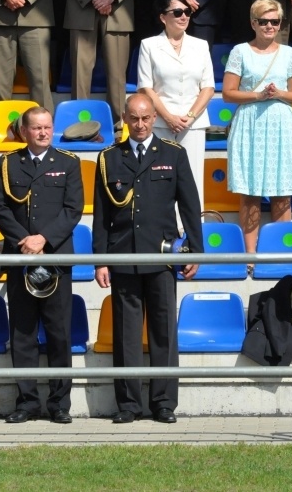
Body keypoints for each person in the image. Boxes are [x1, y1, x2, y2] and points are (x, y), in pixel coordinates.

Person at [92, 93, 203, 425]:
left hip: (161, 255)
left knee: (164, 332)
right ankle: (128, 404)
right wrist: (100, 260)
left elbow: (190, 206)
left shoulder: (173, 154)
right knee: (126, 334)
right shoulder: (109, 157)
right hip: (123, 254)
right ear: (125, 119)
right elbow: (101, 215)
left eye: (145, 118)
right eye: (133, 119)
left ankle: (164, 402)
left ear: (154, 117)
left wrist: (194, 250)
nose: (140, 125)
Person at [0, 107, 83, 425]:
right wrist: (25, 241)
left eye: (47, 127)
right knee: (23, 334)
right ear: (25, 131)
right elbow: (0, 208)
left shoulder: (68, 163)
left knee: (59, 334)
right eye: (36, 128)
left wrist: (43, 239)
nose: (43, 133)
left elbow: (73, 210)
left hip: (55, 260)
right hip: (20, 260)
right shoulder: (8, 163)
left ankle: (59, 403)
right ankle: (28, 401)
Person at [222, 0, 292, 264]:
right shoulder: (240, 51)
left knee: (281, 191)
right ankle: (250, 255)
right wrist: (257, 95)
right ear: (253, 23)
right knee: (249, 192)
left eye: (275, 21)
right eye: (264, 21)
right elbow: (228, 93)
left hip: (281, 124)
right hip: (250, 124)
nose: (270, 26)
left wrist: (278, 92)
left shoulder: (289, 53)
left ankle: (278, 253)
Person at [137, 0, 215, 205]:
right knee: (159, 181)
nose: (184, 17)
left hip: (193, 124)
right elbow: (146, 87)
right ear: (163, 17)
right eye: (178, 12)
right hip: (161, 124)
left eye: (187, 12)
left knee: (193, 181)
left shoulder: (200, 45)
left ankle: (192, 233)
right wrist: (169, 117)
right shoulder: (149, 45)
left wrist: (189, 117)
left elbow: (208, 87)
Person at [62, 0, 145, 131]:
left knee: (117, 71)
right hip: (81, 3)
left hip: (119, 6)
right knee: (80, 70)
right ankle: (79, 127)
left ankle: (118, 125)